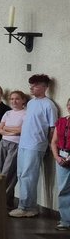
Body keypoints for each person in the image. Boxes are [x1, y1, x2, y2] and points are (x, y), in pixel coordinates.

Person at [12, 74, 58, 218]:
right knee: (21, 174)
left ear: (45, 87)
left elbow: (52, 129)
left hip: (36, 144)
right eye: (30, 84)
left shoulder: (49, 105)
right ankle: (24, 205)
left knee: (29, 175)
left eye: (36, 85)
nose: (31, 87)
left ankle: (29, 207)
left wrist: (51, 147)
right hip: (24, 143)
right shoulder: (31, 103)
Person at [0, 90, 28, 208]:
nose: (14, 101)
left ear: (23, 100)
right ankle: (7, 201)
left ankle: (1, 200)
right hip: (3, 143)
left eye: (17, 99)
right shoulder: (8, 113)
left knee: (8, 173)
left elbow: (22, 130)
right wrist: (13, 130)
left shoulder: (26, 113)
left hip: (15, 145)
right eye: (12, 99)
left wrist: (7, 129)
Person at [50, 98, 70, 230]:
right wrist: (56, 156)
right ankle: (66, 220)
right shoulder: (61, 122)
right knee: (63, 190)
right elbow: (53, 142)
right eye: (69, 105)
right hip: (62, 157)